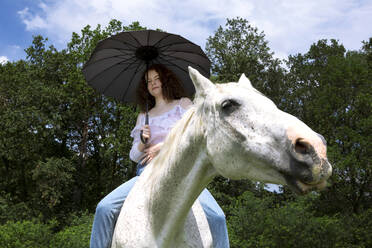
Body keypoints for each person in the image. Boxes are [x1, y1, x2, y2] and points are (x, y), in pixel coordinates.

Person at [90, 64, 229, 248]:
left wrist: (162, 147)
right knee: (104, 209)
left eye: (157, 78)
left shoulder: (183, 105)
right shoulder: (143, 116)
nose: (153, 83)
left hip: (183, 174)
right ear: (145, 87)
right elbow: (133, 156)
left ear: (165, 80)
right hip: (147, 174)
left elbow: (193, 138)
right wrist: (141, 141)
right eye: (149, 81)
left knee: (217, 217)